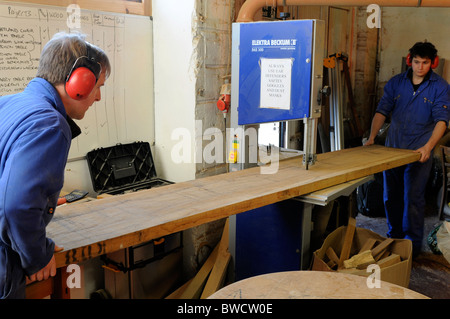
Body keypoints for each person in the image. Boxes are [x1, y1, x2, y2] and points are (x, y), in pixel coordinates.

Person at [0, 32, 111, 299]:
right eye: (98, 86)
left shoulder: (8, 103)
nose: (97, 98)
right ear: (79, 83)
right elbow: (16, 206)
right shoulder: (50, 124)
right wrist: (38, 256)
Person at [364, 41, 450, 256]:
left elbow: (442, 121)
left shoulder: (440, 87)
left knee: (413, 199)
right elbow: (381, 111)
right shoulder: (396, 83)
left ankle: (412, 248)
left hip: (418, 153)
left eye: (425, 63)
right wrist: (372, 138)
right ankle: (394, 239)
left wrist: (429, 147)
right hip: (392, 151)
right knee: (390, 197)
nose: (420, 67)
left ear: (434, 63)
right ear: (410, 60)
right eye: (417, 62)